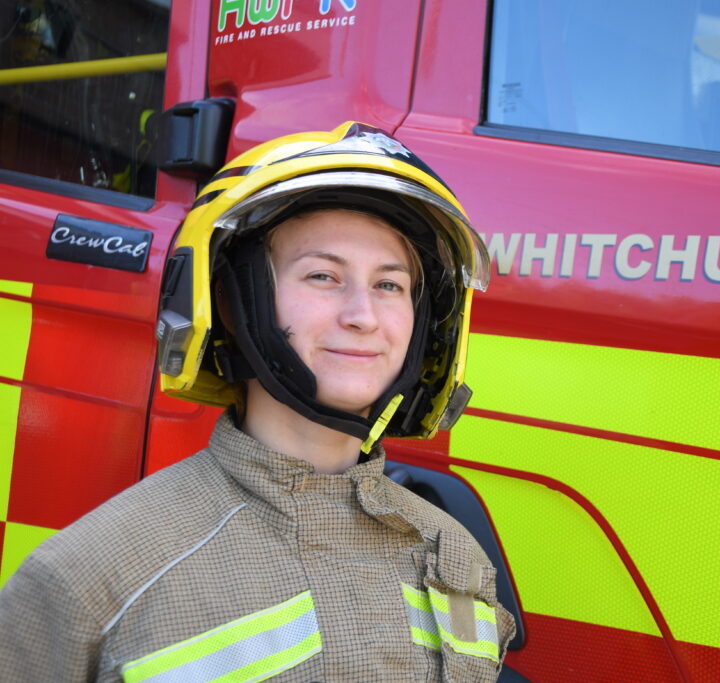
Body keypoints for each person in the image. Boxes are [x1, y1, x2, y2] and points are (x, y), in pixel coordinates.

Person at [0, 122, 514, 681]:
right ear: (231, 299)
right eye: (323, 275)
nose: (362, 316)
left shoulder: (455, 557)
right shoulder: (88, 583)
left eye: (389, 285)